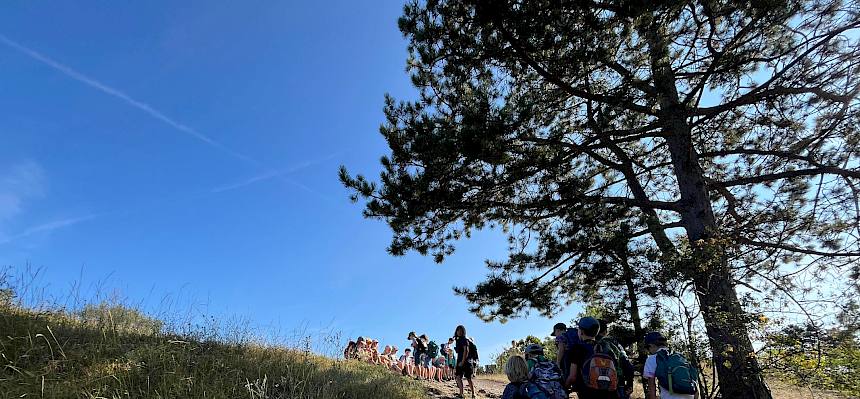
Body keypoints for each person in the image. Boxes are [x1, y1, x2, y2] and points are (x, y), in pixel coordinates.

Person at [566, 317, 619, 399]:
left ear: (581, 331)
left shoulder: (577, 349)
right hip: (610, 393)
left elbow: (572, 376)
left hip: (588, 393)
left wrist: (566, 386)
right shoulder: (604, 347)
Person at [642, 332, 699, 399]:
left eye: (648, 349)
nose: (649, 352)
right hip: (689, 395)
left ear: (651, 345)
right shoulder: (678, 356)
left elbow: (651, 385)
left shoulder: (652, 359)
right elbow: (693, 377)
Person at [454, 325, 477, 399]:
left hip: (466, 361)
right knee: (458, 377)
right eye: (458, 330)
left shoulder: (464, 340)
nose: (459, 332)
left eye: (461, 331)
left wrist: (462, 361)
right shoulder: (458, 340)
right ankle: (461, 394)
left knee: (468, 378)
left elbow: (466, 351)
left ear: (463, 332)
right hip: (461, 361)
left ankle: (473, 394)